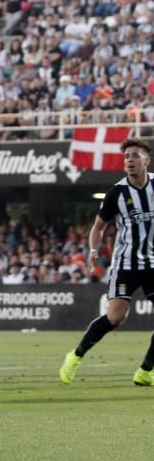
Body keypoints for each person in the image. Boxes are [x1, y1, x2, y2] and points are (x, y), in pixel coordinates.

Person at [60, 138, 154, 386]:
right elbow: (98, 227)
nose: (130, 160)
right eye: (126, 157)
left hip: (153, 263)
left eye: (135, 155)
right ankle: (75, 356)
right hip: (126, 264)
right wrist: (92, 250)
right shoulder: (117, 193)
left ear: (147, 160)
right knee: (116, 317)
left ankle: (146, 370)